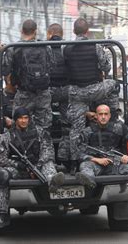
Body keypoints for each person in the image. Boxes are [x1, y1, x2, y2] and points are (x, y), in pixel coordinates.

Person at [75, 104, 128, 217]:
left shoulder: (118, 128)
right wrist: (96, 160)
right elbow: (78, 151)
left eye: (105, 114)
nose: (103, 117)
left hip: (114, 164)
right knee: (85, 166)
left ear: (109, 115)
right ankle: (90, 190)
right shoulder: (87, 131)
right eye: (100, 114)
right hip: (95, 164)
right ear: (96, 116)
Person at [0, 107, 65, 228]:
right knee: (3, 175)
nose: (23, 121)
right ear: (15, 120)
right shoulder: (8, 136)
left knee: (49, 165)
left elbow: (48, 152)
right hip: (19, 169)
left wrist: (36, 167)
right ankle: (2, 215)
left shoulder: (40, 132)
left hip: (38, 166)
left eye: (26, 118)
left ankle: (53, 184)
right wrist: (17, 164)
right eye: (20, 118)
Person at [63, 18, 120, 166]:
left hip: (76, 93)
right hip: (94, 90)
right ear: (87, 31)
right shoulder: (95, 46)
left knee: (76, 129)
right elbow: (106, 68)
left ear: (74, 31)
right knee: (114, 84)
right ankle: (112, 115)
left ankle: (75, 162)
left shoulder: (67, 48)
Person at [11, 19, 54, 130]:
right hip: (43, 93)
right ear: (35, 31)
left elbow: (6, 70)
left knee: (21, 126)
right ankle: (44, 146)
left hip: (23, 93)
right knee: (44, 128)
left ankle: (23, 146)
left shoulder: (14, 48)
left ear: (21, 31)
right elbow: (52, 66)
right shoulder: (45, 46)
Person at [47, 23, 71, 164]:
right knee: (67, 126)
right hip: (66, 91)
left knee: (44, 125)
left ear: (49, 34)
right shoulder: (67, 47)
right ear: (62, 34)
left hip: (48, 91)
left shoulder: (43, 47)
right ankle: (63, 155)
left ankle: (48, 157)